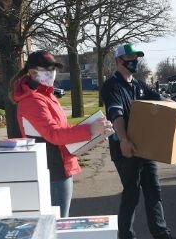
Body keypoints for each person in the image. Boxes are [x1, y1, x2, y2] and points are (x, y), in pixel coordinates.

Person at [102, 43, 176, 239]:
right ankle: (126, 238)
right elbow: (116, 115)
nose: (135, 61)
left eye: (137, 57)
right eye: (131, 58)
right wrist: (124, 140)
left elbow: (162, 100)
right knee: (132, 193)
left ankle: (162, 237)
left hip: (145, 147)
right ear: (119, 61)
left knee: (153, 190)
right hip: (126, 148)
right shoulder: (112, 86)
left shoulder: (138, 85)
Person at [12, 50, 112, 218]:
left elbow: (63, 128)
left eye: (52, 68)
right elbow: (54, 134)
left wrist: (93, 136)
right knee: (58, 224)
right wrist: (90, 130)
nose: (50, 73)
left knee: (58, 222)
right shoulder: (33, 101)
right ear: (31, 72)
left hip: (60, 165)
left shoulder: (46, 96)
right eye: (45, 69)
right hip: (53, 169)